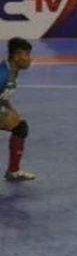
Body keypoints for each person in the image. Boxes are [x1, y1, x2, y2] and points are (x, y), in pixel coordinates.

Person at [0, 38, 34, 182]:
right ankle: (13, 172)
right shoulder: (3, 73)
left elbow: (3, 95)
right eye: (26, 54)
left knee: (20, 127)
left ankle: (13, 171)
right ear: (16, 56)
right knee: (20, 127)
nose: (30, 59)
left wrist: (12, 111)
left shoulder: (13, 70)